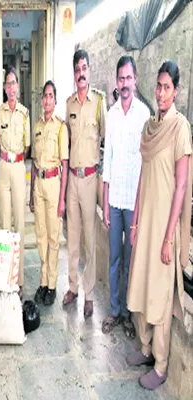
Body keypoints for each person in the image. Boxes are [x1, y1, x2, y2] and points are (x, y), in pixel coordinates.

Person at [126, 61, 192, 390]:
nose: (161, 92)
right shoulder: (150, 127)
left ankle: (162, 366)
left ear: (176, 90)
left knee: (161, 296)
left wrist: (170, 238)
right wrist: (135, 221)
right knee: (142, 286)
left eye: (167, 87)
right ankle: (146, 349)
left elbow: (180, 186)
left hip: (164, 229)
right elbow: (143, 178)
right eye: (158, 86)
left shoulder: (180, 128)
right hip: (146, 223)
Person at [101, 56, 150, 337]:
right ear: (116, 82)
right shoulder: (111, 114)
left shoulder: (143, 116)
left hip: (133, 202)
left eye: (128, 78)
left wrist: (140, 207)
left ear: (135, 79)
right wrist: (106, 203)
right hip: (115, 200)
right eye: (120, 79)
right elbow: (107, 160)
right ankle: (116, 311)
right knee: (115, 259)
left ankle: (130, 315)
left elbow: (145, 163)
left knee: (131, 261)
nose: (124, 84)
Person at [63, 49, 107, 318]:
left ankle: (89, 295)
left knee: (90, 240)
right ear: (74, 73)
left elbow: (105, 139)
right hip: (72, 180)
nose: (81, 72)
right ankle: (73, 287)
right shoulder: (68, 105)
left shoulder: (99, 103)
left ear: (89, 70)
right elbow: (66, 142)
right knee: (73, 239)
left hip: (90, 179)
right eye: (77, 68)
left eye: (84, 68)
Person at [30, 81, 68, 306]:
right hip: (39, 184)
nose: (47, 100)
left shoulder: (60, 127)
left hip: (54, 184)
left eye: (51, 96)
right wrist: (31, 194)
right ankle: (43, 282)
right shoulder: (37, 126)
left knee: (54, 238)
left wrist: (62, 198)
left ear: (55, 100)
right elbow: (34, 163)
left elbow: (64, 162)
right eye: (44, 96)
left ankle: (52, 285)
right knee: (40, 236)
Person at [0, 66, 30, 296]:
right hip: (3, 168)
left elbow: (27, 146)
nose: (11, 87)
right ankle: (5, 277)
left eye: (13, 83)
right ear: (5, 88)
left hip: (18, 167)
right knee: (5, 225)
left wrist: (16, 160)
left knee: (19, 225)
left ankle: (18, 280)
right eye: (7, 83)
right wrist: (7, 158)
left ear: (18, 86)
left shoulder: (24, 113)